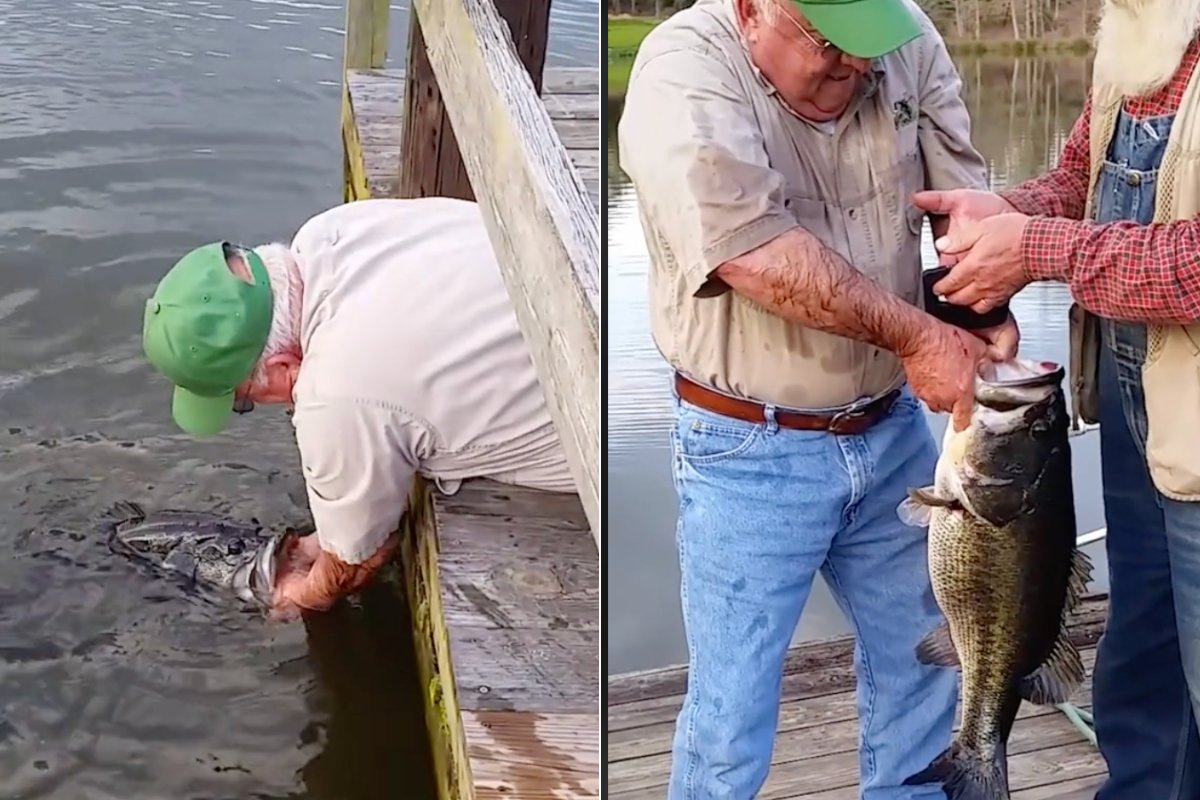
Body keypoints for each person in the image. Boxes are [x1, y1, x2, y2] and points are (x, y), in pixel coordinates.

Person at [617, 0, 1015, 796]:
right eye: (830, 44)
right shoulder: (682, 70)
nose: (855, 67)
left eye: (869, 47)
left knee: (925, 666)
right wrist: (918, 338)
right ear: (751, 9)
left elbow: (962, 199)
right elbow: (754, 252)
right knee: (730, 721)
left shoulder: (907, 44)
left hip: (894, 427)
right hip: (748, 451)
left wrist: (982, 301)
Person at [910, 0, 1200, 796]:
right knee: (1143, 675)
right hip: (1134, 414)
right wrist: (1007, 212)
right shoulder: (1135, 42)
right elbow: (1085, 177)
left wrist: (1035, 250)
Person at [140, 197, 575, 619]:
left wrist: (299, 595)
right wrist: (328, 533)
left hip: (600, 429)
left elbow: (359, 560)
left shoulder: (334, 396)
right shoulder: (334, 232)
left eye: (244, 401)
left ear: (282, 365)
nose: (263, 406)